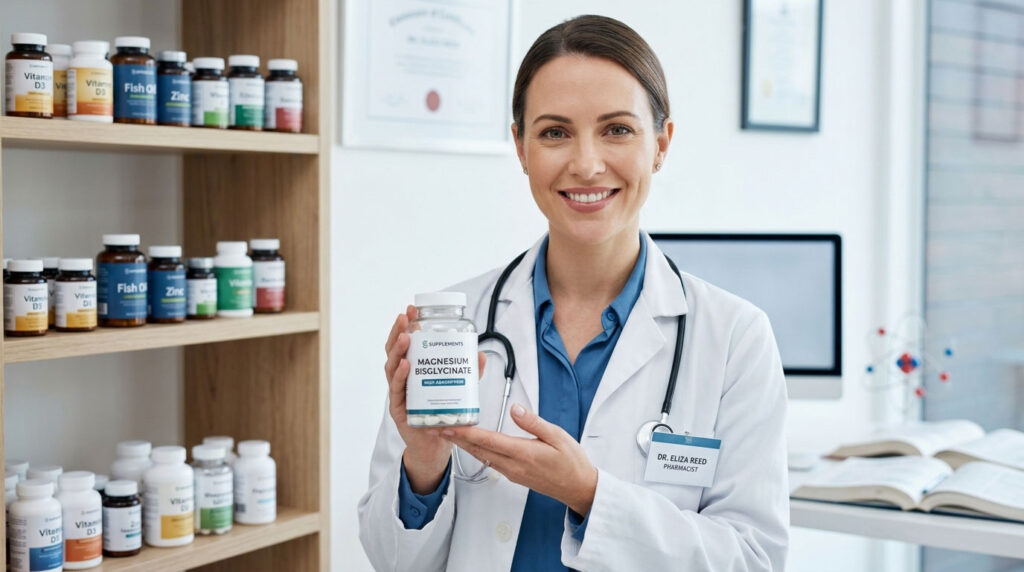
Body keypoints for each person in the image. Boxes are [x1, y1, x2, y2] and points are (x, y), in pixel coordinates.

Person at [359, 14, 788, 571]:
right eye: (555, 132)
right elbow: (392, 561)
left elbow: (754, 560)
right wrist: (423, 462)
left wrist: (590, 495)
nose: (586, 164)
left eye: (617, 130)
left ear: (661, 143)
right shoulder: (449, 330)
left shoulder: (734, 338)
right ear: (520, 147)